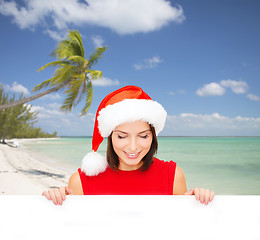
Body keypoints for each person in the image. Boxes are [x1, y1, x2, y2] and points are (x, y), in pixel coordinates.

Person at [42, 85, 215, 205]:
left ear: (153, 137)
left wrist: (199, 202)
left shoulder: (173, 176)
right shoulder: (81, 181)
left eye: (143, 136)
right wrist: (53, 201)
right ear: (110, 137)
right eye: (122, 136)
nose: (133, 147)